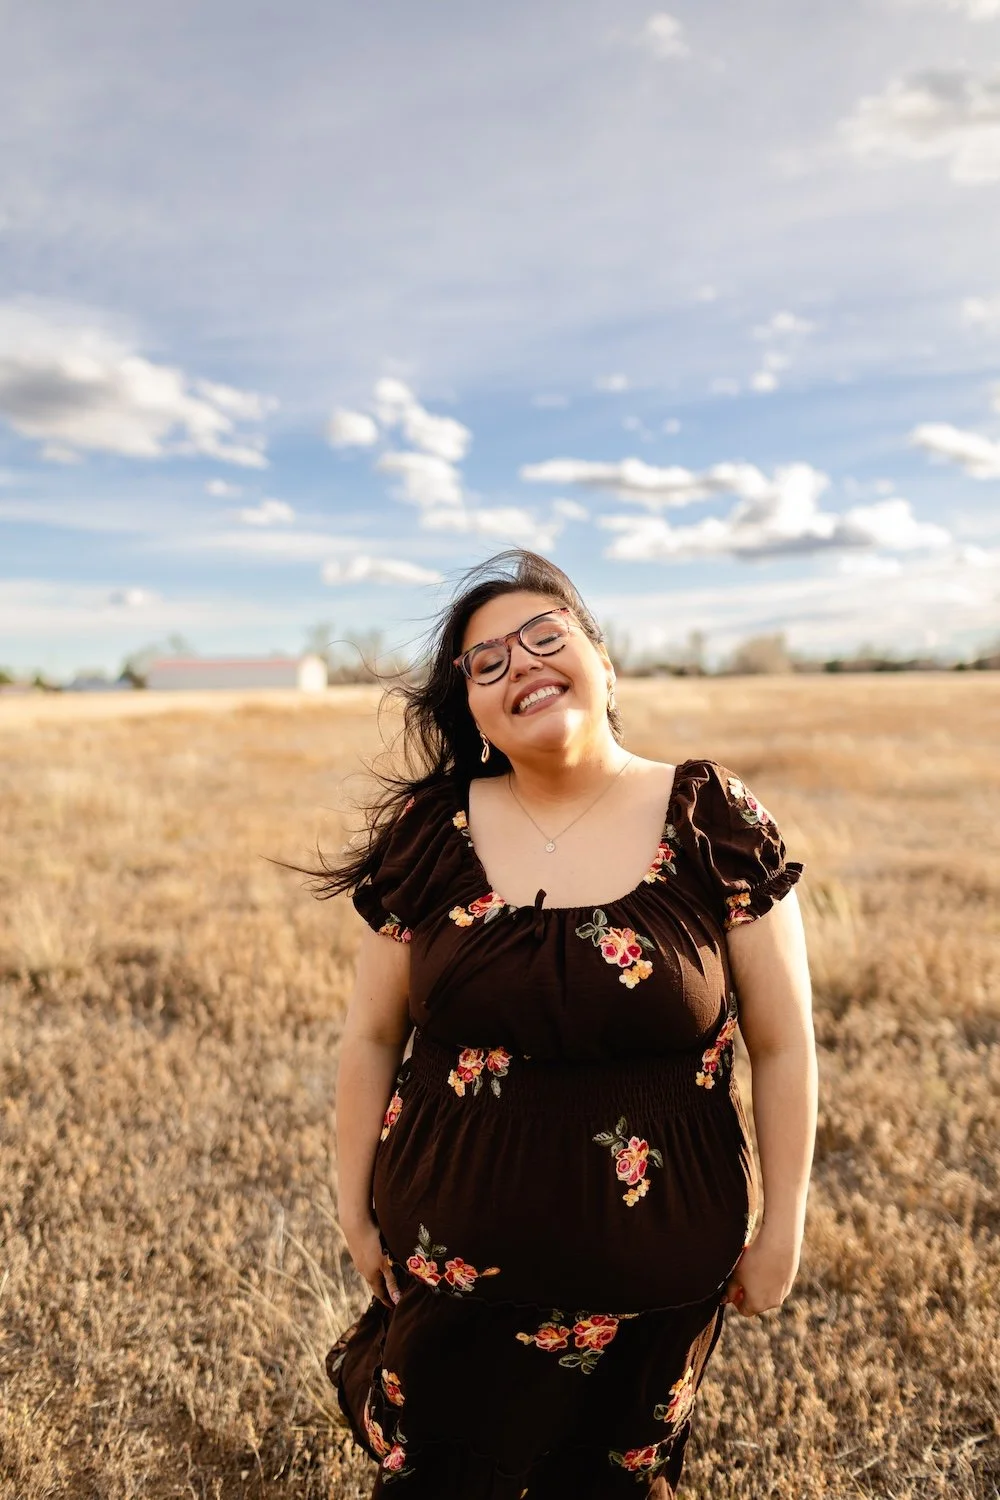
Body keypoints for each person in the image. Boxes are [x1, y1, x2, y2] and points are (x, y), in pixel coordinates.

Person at [311, 548, 817, 1499]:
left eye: (546, 637)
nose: (521, 665)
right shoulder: (432, 832)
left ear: (604, 660)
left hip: (662, 1274)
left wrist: (784, 1220)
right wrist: (351, 1204)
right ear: (469, 708)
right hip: (453, 1270)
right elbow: (372, 1036)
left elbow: (784, 1042)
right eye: (486, 662)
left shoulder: (712, 818)